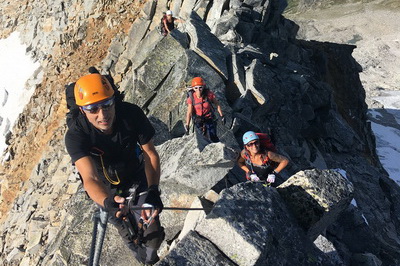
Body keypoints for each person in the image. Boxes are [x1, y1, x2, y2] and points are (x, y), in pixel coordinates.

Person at [64, 73, 164, 264]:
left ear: (114, 100)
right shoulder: (76, 135)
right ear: (82, 110)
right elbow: (90, 178)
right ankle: (142, 257)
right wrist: (107, 201)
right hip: (107, 189)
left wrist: (152, 190)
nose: (102, 115)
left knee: (153, 236)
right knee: (128, 231)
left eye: (107, 104)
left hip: (137, 175)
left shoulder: (130, 114)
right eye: (92, 108)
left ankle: (151, 259)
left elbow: (150, 153)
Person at [185, 77, 225, 142]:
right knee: (201, 137)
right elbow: (189, 112)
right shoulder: (191, 98)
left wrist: (222, 115)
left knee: (213, 135)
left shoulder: (209, 95)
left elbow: (217, 104)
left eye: (200, 87)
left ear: (203, 87)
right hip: (198, 119)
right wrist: (187, 125)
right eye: (196, 88)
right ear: (193, 88)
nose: (198, 90)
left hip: (208, 117)